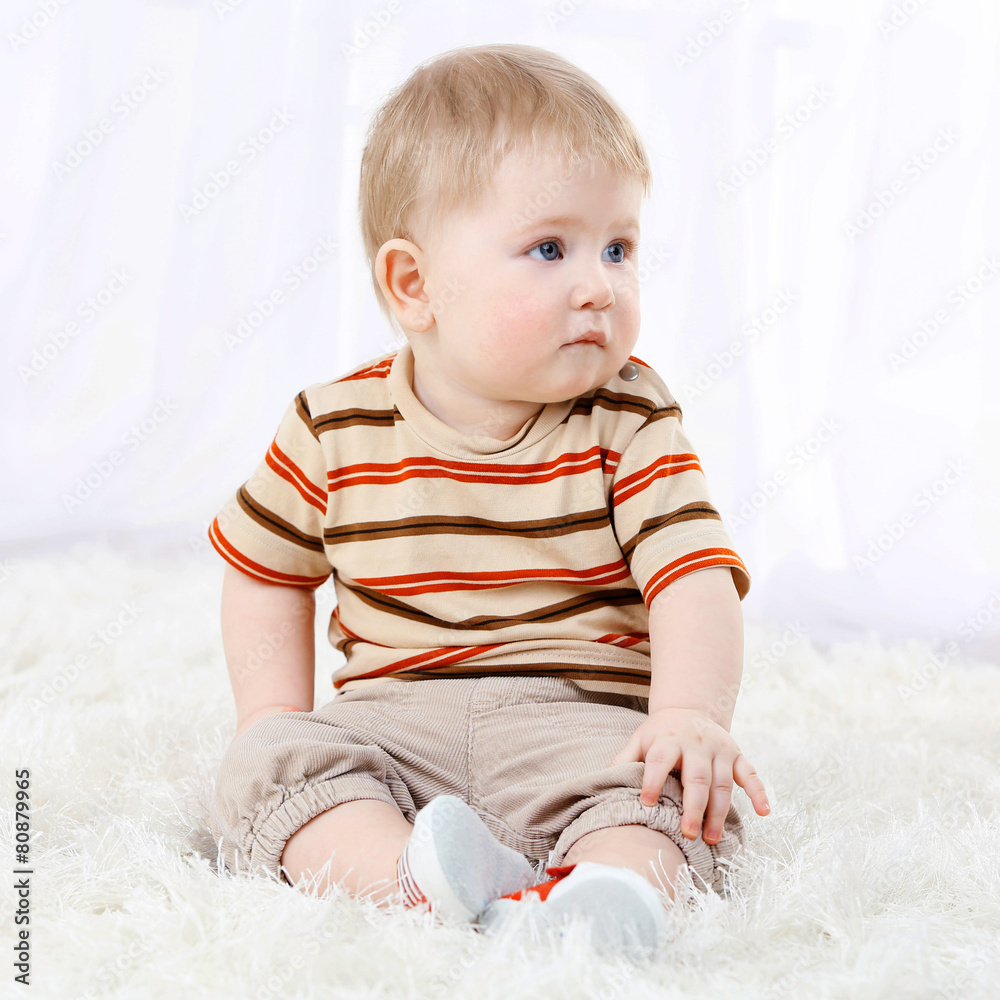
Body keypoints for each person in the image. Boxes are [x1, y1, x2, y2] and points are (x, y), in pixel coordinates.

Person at [206, 42, 770, 961]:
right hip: (393, 723)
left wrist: (689, 718)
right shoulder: (331, 424)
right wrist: (271, 713)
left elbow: (693, 578)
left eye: (619, 247)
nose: (601, 285)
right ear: (414, 284)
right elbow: (263, 571)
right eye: (551, 248)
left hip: (579, 724)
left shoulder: (627, 415)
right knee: (267, 770)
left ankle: (605, 892)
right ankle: (414, 880)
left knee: (672, 798)